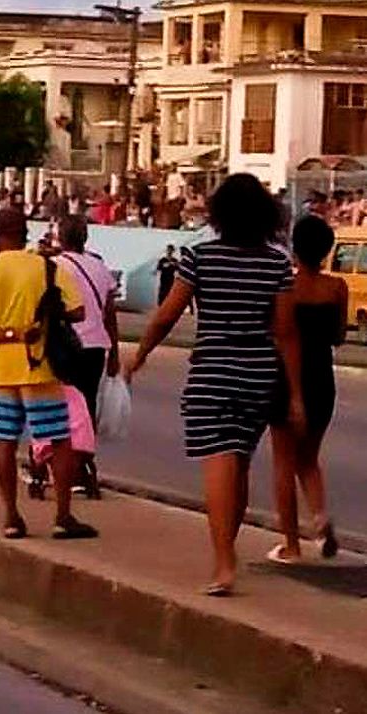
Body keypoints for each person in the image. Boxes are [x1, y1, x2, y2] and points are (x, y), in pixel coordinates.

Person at [126, 174, 304, 596]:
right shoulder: (277, 262)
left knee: (219, 461)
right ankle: (228, 550)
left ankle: (224, 562)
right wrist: (295, 393)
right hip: (258, 373)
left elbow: (167, 314)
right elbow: (286, 332)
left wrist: (140, 354)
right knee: (238, 461)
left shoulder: (199, 257)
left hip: (213, 370)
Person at [0, 208, 98, 541]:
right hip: (42, 370)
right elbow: (78, 311)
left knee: (5, 444)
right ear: (25, 233)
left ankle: (11, 517)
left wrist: (8, 335)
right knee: (59, 441)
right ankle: (63, 516)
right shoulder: (46, 267)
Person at [267, 216, 348, 564]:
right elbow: (338, 336)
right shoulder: (337, 288)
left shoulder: (285, 285)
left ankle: (291, 544)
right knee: (310, 458)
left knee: (284, 462)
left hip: (286, 375)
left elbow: (276, 330)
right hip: (322, 377)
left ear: (294, 247)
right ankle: (319, 518)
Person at [54, 215, 120, 497]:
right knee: (87, 407)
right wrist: (114, 351)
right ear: (85, 238)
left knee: (61, 408)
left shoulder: (54, 267)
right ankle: (84, 465)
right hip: (95, 347)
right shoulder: (99, 266)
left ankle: (61, 466)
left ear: (59, 236)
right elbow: (110, 314)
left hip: (66, 347)